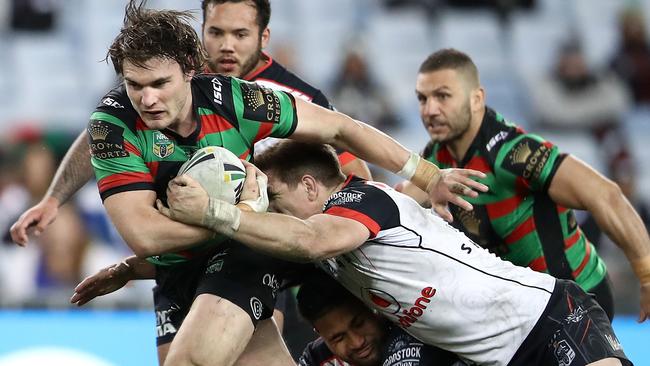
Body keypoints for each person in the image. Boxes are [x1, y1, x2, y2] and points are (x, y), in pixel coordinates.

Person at [64, 2, 485, 366]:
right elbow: (145, 235)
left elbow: (340, 129)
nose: (148, 99)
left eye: (160, 84)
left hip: (239, 252)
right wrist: (240, 213)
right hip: (174, 268)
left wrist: (428, 175)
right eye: (135, 86)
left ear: (190, 71)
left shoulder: (236, 98)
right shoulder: (112, 125)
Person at [158, 140, 631, 366]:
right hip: (499, 358)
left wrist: (218, 212)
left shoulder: (364, 199)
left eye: (275, 200)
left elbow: (308, 239)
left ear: (309, 186)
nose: (273, 211)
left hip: (549, 318)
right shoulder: (326, 240)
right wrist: (130, 267)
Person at [10, 0, 370, 249]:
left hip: (267, 238)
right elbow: (102, 133)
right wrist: (55, 199)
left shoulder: (288, 95)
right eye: (216, 32)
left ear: (263, 38)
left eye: (239, 34)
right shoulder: (171, 77)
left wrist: (363, 219)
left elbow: (349, 160)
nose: (226, 46)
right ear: (202, 33)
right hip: (182, 239)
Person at [397, 48, 650, 321]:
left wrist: (646, 276)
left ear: (476, 99)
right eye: (422, 99)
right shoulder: (437, 156)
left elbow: (607, 195)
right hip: (521, 308)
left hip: (577, 299)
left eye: (443, 96)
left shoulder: (514, 153)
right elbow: (401, 202)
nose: (429, 110)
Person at [296, 270, 464, 366]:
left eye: (359, 323)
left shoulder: (415, 325)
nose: (357, 342)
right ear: (319, 334)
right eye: (338, 338)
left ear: (371, 306)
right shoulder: (317, 359)